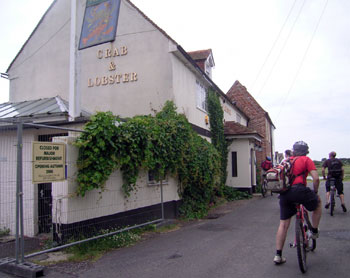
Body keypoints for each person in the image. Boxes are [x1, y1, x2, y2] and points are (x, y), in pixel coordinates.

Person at [274, 141, 322, 265]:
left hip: (284, 194)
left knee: (283, 224)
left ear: (293, 150)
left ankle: (278, 255)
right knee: (318, 203)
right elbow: (316, 178)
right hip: (300, 190)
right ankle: (314, 231)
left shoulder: (285, 161)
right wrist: (315, 192)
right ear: (306, 151)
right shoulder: (306, 160)